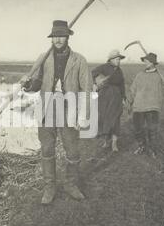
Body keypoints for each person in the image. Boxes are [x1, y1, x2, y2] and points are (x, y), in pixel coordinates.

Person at [20, 20, 93, 204]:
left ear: (68, 37)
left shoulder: (79, 60)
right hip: (47, 108)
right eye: (55, 36)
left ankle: (71, 185)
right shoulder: (43, 58)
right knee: (46, 148)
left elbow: (86, 89)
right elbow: (36, 84)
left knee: (73, 151)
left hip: (70, 108)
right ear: (51, 39)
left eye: (61, 36)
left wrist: (82, 115)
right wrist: (28, 84)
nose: (58, 39)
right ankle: (49, 187)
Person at [127, 52, 164, 158]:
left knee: (152, 130)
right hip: (138, 106)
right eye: (145, 61)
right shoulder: (140, 75)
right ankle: (142, 146)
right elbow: (132, 90)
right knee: (138, 129)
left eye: (147, 61)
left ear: (153, 63)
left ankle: (153, 149)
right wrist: (129, 102)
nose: (145, 63)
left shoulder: (160, 74)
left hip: (153, 106)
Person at [92, 49, 127, 152]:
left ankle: (114, 143)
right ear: (111, 59)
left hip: (116, 97)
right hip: (104, 96)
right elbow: (92, 73)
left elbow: (122, 85)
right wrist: (95, 84)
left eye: (119, 59)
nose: (118, 61)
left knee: (115, 119)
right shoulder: (103, 67)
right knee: (104, 117)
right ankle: (106, 140)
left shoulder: (119, 71)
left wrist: (123, 97)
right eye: (116, 59)